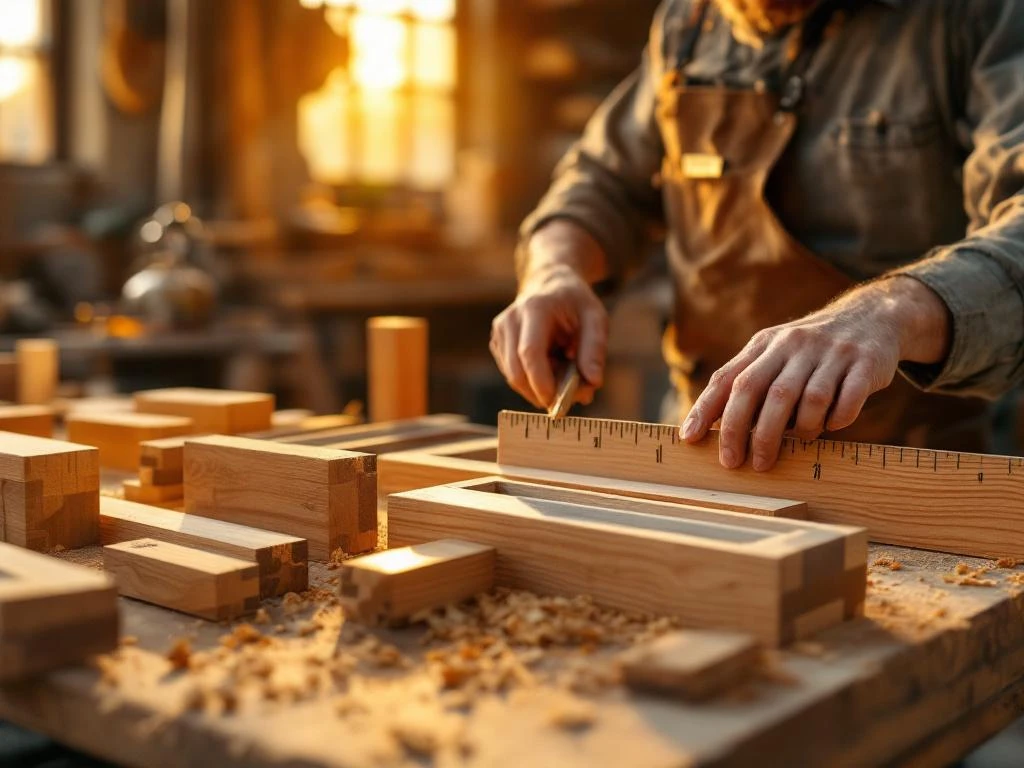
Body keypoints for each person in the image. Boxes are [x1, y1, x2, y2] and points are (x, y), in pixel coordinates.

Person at [490, 0, 1024, 470]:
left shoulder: (973, 15)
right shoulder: (689, 20)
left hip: (912, 456)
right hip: (707, 446)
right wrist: (555, 268)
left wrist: (889, 312)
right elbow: (603, 181)